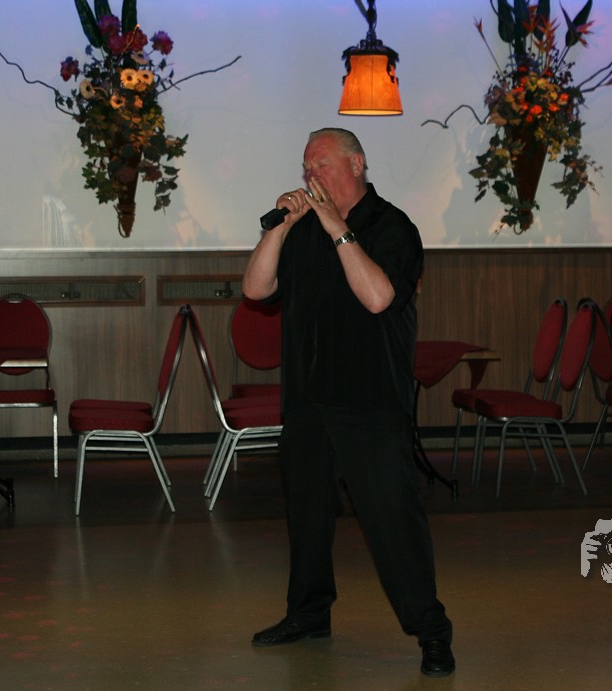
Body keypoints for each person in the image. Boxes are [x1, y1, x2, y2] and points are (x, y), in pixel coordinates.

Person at [241, 128, 455, 677]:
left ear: (356, 164)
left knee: (392, 520)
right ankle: (308, 614)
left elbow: (379, 297)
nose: (311, 175)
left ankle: (431, 630)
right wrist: (280, 228)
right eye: (306, 166)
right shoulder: (303, 228)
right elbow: (256, 289)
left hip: (370, 400)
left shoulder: (393, 227)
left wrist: (337, 226)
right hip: (308, 397)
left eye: (322, 164)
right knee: (307, 516)